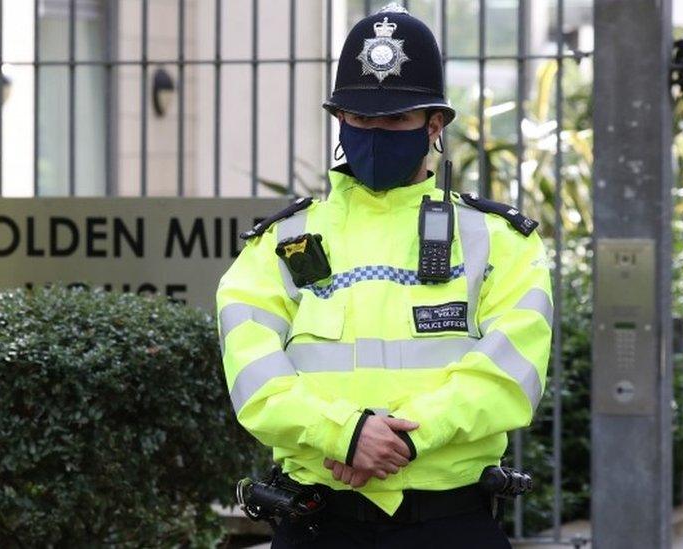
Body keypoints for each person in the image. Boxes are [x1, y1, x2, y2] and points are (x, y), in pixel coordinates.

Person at [216, 3, 553, 547]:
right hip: (317, 522)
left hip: (451, 523)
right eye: (361, 118)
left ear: (434, 124)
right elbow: (255, 378)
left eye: (396, 118)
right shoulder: (277, 244)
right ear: (340, 120)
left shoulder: (501, 239)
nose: (375, 132)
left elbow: (510, 374)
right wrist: (346, 436)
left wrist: (404, 441)